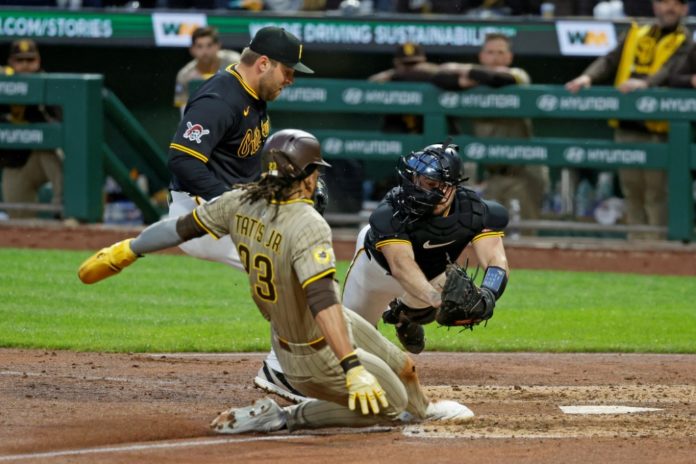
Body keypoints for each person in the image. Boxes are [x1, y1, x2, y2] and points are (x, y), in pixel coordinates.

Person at [77, 129, 475, 433]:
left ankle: (423, 410)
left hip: (298, 326)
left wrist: (128, 250)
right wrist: (351, 365)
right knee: (387, 407)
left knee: (404, 366)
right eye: (314, 171)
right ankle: (284, 416)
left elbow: (179, 227)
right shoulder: (307, 224)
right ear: (304, 177)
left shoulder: (239, 201)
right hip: (310, 350)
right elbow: (322, 301)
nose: (316, 179)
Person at [166, 26, 314, 402]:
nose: (291, 79)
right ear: (263, 63)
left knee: (299, 270)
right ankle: (282, 371)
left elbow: (241, 166)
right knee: (292, 273)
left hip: (230, 208)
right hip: (199, 213)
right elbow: (183, 160)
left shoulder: (254, 93)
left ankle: (287, 366)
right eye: (288, 71)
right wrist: (233, 205)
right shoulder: (219, 98)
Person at [342, 142, 510, 354]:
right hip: (376, 269)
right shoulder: (391, 210)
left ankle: (403, 316)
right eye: (418, 180)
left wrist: (488, 294)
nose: (419, 188)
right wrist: (437, 300)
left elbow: (496, 260)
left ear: (450, 187)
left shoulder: (474, 211)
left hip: (432, 272)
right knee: (352, 338)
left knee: (427, 309)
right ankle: (400, 311)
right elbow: (401, 266)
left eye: (429, 183)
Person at [565, 0, 691, 239]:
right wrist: (587, 77)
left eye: (676, 4)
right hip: (627, 124)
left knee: (656, 192)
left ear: (685, 9)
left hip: (658, 128)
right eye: (664, 2)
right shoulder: (636, 32)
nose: (669, 8)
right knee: (632, 190)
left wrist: (645, 84)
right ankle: (636, 244)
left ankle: (658, 247)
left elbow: (671, 70)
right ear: (655, 6)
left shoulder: (685, 40)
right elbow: (610, 59)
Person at [432, 33, 547, 224]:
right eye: (490, 52)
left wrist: (463, 70)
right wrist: (462, 80)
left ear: (509, 57)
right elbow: (438, 77)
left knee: (525, 233)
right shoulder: (476, 80)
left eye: (501, 52)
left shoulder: (518, 74)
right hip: (492, 175)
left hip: (523, 172)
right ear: (481, 56)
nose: (495, 57)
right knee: (487, 233)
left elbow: (498, 79)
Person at [0, 39, 63, 219]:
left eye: (30, 60)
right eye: (20, 60)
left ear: (38, 61)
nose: (25, 65)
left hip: (42, 158)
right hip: (16, 162)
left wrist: (37, 109)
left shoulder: (47, 84)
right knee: (19, 217)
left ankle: (66, 212)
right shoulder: (3, 82)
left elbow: (59, 127)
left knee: (54, 152)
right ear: (11, 62)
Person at [173, 26, 241, 117]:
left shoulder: (235, 63)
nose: (205, 51)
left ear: (218, 46)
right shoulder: (185, 75)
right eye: (199, 46)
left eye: (209, 45)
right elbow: (185, 112)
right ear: (192, 49)